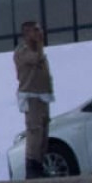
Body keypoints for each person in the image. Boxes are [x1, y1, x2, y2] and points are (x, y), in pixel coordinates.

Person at [13, 21, 54, 167]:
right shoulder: (22, 51)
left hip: (42, 96)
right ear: (27, 33)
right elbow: (35, 59)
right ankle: (32, 166)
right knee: (35, 133)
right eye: (35, 30)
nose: (39, 33)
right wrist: (40, 44)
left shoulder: (38, 50)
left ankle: (40, 163)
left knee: (43, 135)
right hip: (31, 97)